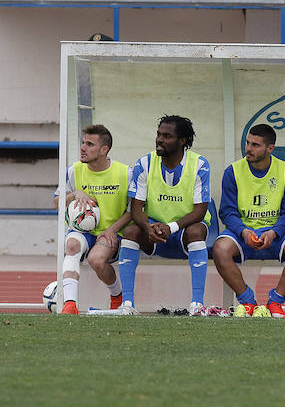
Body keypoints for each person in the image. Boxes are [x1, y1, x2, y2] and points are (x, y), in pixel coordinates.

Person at [213, 124, 285, 317]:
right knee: (220, 249)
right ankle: (248, 302)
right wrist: (243, 231)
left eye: (255, 145)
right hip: (243, 231)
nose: (248, 148)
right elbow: (227, 212)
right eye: (248, 143)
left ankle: (275, 301)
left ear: (270, 148)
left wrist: (273, 232)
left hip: (275, 232)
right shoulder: (233, 171)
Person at [119, 115, 211, 315]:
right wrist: (148, 227)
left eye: (167, 136)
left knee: (196, 231)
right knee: (131, 232)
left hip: (185, 228)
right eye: (159, 134)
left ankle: (197, 304)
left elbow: (200, 211)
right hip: (154, 229)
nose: (159, 140)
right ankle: (127, 304)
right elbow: (136, 209)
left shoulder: (199, 165)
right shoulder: (145, 163)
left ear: (183, 140)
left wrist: (172, 227)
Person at [52, 125, 132, 314]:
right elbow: (56, 203)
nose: (83, 148)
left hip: (111, 232)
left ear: (104, 150)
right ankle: (70, 305)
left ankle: (117, 296)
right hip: (81, 231)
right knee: (71, 245)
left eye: (89, 144)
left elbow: (133, 210)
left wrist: (112, 230)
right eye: (83, 143)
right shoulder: (73, 171)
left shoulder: (125, 173)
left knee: (96, 260)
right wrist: (74, 194)